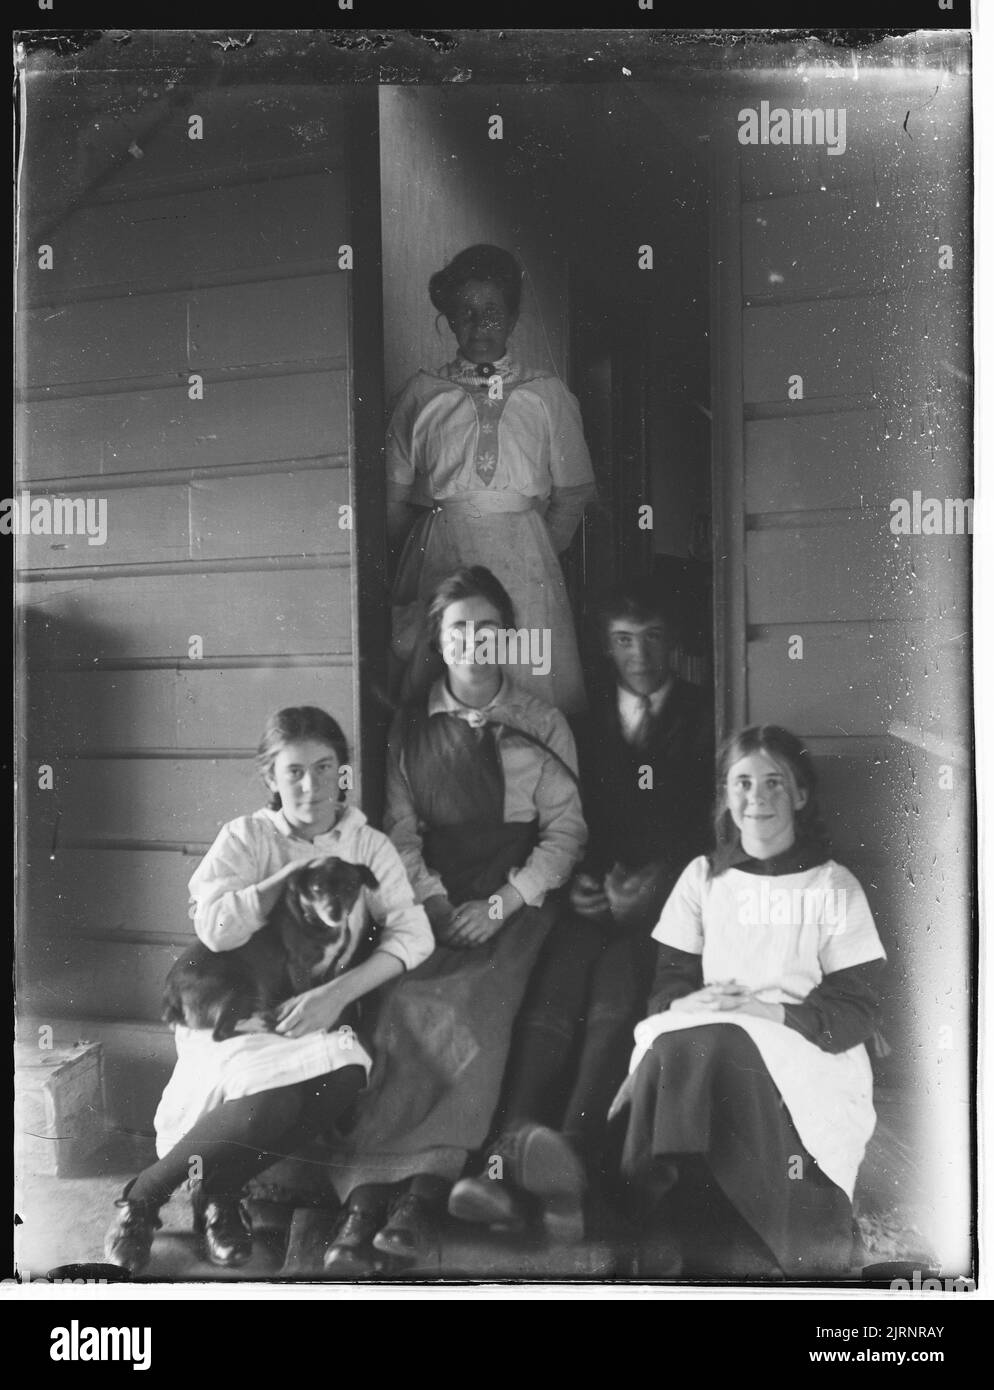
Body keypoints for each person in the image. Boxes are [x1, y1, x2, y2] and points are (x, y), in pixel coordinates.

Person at [321, 566, 587, 1273]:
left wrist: (502, 903)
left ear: (508, 638)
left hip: (513, 906)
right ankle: (361, 1202)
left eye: (488, 628)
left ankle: (422, 1192)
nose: (473, 641)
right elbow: (402, 836)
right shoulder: (410, 732)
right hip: (434, 902)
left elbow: (566, 836)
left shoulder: (540, 723)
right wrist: (435, 904)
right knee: (399, 1003)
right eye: (458, 628)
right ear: (439, 642)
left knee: (473, 1015)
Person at [103, 707, 433, 1275]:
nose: (311, 786)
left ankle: (218, 1191)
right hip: (231, 1011)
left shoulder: (367, 845)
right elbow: (215, 930)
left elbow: (414, 932)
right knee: (277, 1097)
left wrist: (338, 993)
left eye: (325, 768)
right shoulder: (248, 837)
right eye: (295, 772)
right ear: (272, 779)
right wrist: (282, 880)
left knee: (347, 1073)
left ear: (342, 773)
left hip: (304, 1012)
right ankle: (143, 1198)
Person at [446, 578, 713, 1240]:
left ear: (673, 643)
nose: (640, 656)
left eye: (652, 639)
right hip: (591, 902)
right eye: (624, 641)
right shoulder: (582, 727)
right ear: (604, 646)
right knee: (553, 992)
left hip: (670, 913)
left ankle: (568, 1152)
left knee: (618, 996)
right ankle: (505, 1165)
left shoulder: (709, 714)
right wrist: (578, 886)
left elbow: (714, 828)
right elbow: (565, 823)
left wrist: (661, 882)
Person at [614, 725, 887, 1278]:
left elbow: (858, 1007)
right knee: (678, 1039)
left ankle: (737, 1225)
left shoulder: (832, 887)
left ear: (800, 795)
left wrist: (771, 1011)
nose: (756, 797)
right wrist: (692, 1000)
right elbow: (669, 982)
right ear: (726, 795)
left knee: (712, 1044)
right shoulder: (702, 879)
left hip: (802, 1038)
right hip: (713, 1022)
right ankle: (666, 1217)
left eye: (773, 783)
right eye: (742, 783)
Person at [386, 243, 596, 714]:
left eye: (493, 312)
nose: (480, 325)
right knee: (446, 684)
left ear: (514, 317)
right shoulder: (422, 394)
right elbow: (391, 500)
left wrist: (532, 543)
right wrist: (428, 548)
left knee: (522, 677)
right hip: (442, 556)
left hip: (524, 562)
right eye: (467, 312)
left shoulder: (546, 395)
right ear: (451, 319)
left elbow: (573, 494)